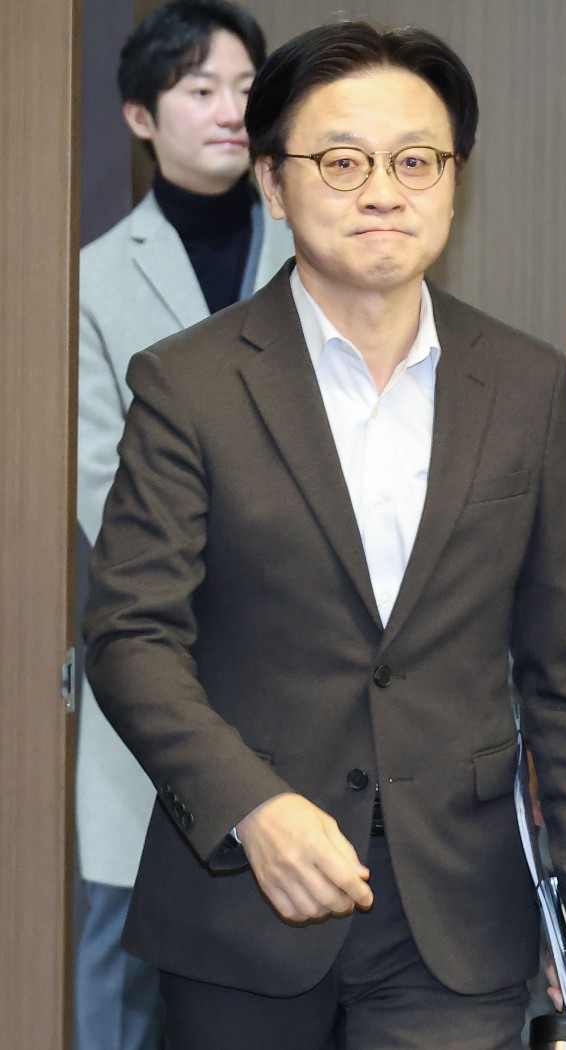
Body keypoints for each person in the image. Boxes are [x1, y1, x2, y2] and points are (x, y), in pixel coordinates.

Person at [84, 21, 566, 1050]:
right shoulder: (188, 384)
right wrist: (251, 806)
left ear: (455, 180)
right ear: (273, 182)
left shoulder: (523, 385)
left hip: (458, 910)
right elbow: (130, 635)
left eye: (416, 161)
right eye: (342, 162)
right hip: (244, 900)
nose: (384, 191)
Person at [76, 2, 292, 1047]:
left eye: (246, 87)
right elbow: (95, 479)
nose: (230, 110)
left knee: (282, 961)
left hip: (301, 662)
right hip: (157, 657)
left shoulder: (319, 247)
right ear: (139, 116)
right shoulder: (89, 278)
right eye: (200, 89)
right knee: (121, 969)